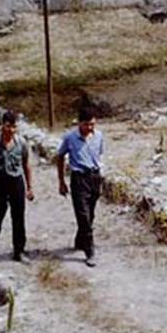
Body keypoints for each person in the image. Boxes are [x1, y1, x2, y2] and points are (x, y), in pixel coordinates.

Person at [0, 110, 34, 262]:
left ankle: (19, 250)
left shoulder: (21, 143)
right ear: (2, 125)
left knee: (18, 217)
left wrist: (29, 187)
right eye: (8, 126)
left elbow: (26, 165)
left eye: (14, 127)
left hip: (16, 182)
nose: (11, 130)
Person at [56, 107, 104, 267]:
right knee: (83, 215)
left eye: (92, 124)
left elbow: (99, 155)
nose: (90, 128)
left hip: (95, 177)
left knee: (90, 213)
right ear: (79, 123)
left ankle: (80, 240)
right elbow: (60, 156)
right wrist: (61, 181)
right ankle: (90, 251)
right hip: (79, 179)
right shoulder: (70, 138)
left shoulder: (99, 136)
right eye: (86, 124)